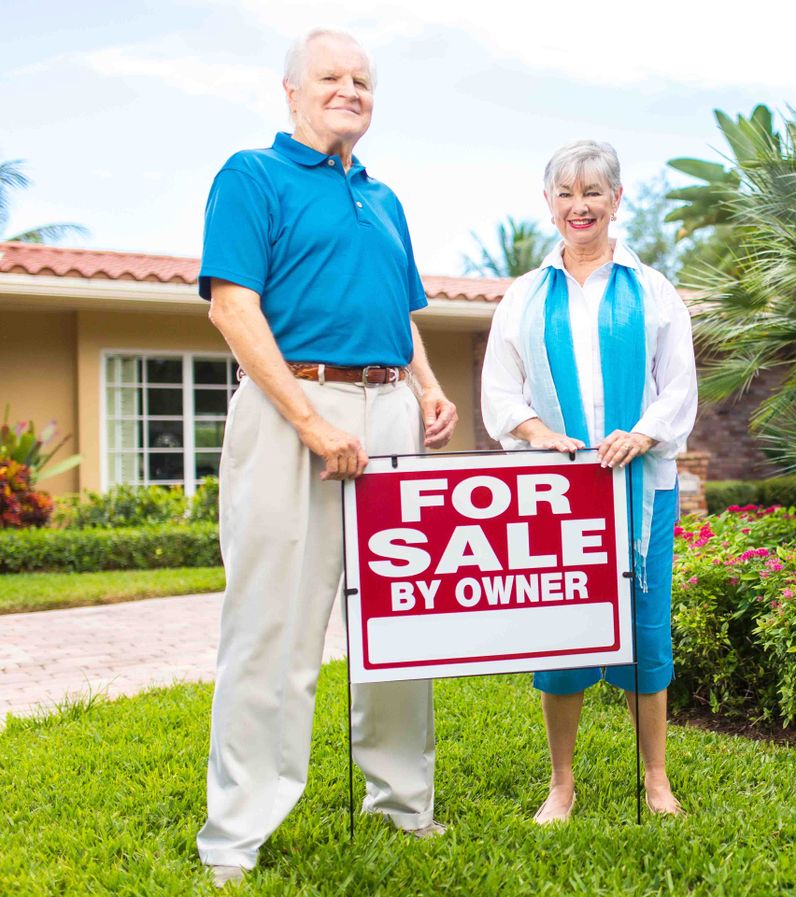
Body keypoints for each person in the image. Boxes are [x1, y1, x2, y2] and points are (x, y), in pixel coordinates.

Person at [194, 28, 458, 886]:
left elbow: (401, 310)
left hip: (388, 415)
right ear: (291, 92)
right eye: (332, 77)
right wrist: (313, 423)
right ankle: (236, 835)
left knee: (398, 626)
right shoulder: (251, 177)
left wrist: (425, 387)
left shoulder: (383, 200)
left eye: (363, 81)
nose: (350, 90)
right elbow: (234, 311)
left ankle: (404, 803)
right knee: (273, 629)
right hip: (291, 416)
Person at [481, 139, 698, 822]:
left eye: (593, 193)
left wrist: (642, 432)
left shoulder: (653, 291)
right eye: (567, 194)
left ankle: (657, 777)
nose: (581, 206)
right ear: (549, 203)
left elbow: (679, 386)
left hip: (643, 490)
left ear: (617, 200)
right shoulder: (524, 296)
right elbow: (499, 390)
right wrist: (542, 434)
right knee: (563, 633)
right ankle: (562, 781)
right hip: (559, 494)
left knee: (646, 630)